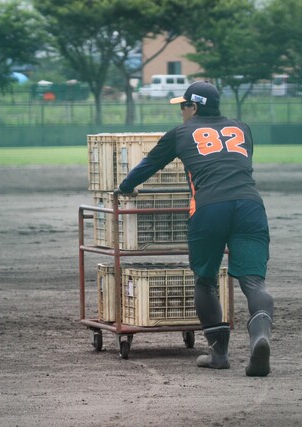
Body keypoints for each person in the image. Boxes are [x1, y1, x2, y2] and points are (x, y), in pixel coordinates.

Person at [117, 81, 273, 376]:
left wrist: (124, 187)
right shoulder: (242, 128)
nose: (181, 111)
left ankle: (218, 354)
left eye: (183, 106)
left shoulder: (180, 134)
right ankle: (260, 336)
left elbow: (149, 164)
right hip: (250, 205)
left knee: (205, 280)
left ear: (195, 106)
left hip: (210, 208)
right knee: (254, 282)